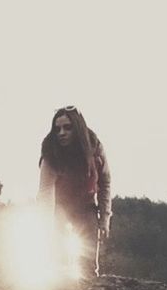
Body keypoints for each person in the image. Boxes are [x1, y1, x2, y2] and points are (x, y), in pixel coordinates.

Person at [37, 106, 112, 277]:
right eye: (57, 129)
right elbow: (45, 193)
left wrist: (104, 218)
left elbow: (105, 182)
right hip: (59, 204)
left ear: (77, 128)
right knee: (59, 256)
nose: (61, 133)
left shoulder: (95, 148)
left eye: (67, 127)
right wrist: (46, 226)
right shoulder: (50, 153)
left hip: (86, 203)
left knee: (88, 261)